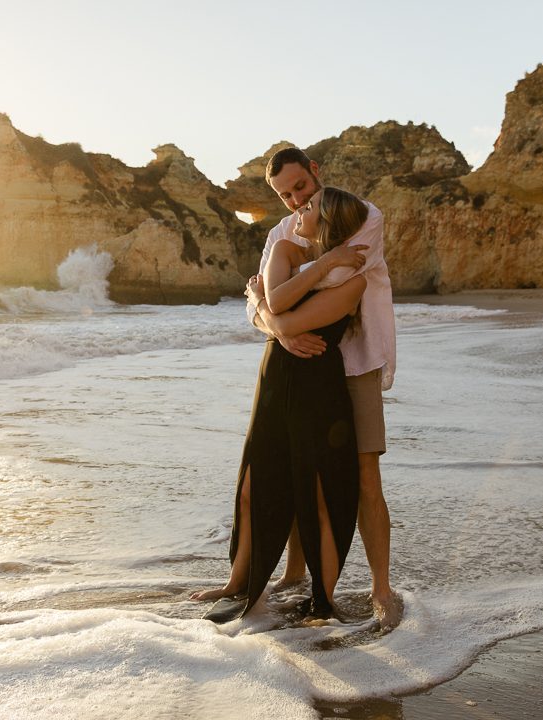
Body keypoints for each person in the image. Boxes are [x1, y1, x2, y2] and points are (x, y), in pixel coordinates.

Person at [191, 186, 369, 621]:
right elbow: (278, 304)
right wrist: (280, 312)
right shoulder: (286, 248)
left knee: (323, 494)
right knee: (253, 485)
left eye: (307, 207)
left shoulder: (354, 280)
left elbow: (283, 312)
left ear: (325, 221)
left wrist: (271, 316)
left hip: (320, 391)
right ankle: (239, 584)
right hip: (274, 381)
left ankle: (323, 602)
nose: (297, 210)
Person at [257, 147, 401, 629]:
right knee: (302, 468)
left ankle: (381, 587)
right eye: (284, 195)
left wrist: (275, 294)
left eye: (300, 187)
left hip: (355, 359)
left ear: (316, 171)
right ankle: (296, 572)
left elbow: (342, 274)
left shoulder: (363, 215)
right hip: (303, 360)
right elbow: (252, 304)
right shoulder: (282, 231)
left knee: (365, 477)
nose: (296, 200)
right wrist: (278, 326)